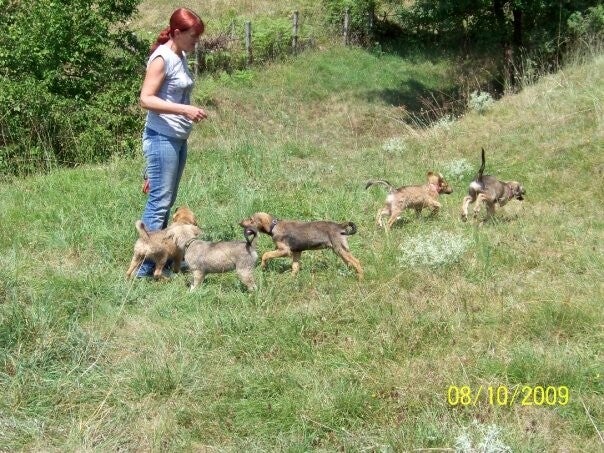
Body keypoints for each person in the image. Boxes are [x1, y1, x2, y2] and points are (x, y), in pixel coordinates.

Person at [136, 8, 208, 277]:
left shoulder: (181, 55)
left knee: (166, 201)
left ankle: (163, 261)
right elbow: (146, 99)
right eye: (193, 36)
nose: (196, 41)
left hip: (177, 138)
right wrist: (185, 110)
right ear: (177, 33)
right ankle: (145, 270)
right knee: (159, 203)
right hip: (161, 138)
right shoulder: (161, 58)